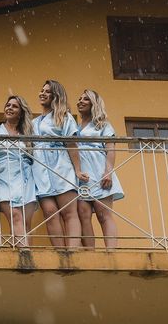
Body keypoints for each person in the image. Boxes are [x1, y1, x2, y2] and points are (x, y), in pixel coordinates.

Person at [32, 80, 85, 248]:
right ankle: (60, 253)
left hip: (61, 166)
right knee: (49, 212)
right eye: (42, 90)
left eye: (47, 91)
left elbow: (71, 144)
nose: (42, 93)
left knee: (69, 212)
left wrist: (77, 170)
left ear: (55, 95)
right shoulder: (33, 123)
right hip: (40, 168)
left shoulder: (64, 116)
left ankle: (72, 251)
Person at [0, 96, 37, 248]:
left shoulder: (27, 133)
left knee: (26, 223)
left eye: (14, 106)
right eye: (8, 105)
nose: (10, 108)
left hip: (25, 177)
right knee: (15, 216)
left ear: (21, 113)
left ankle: (28, 254)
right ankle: (24, 255)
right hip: (2, 177)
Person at [76, 89, 123, 249]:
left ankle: (111, 253)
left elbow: (111, 148)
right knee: (83, 214)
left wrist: (108, 172)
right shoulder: (75, 126)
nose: (80, 101)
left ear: (94, 104)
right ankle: (91, 253)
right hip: (82, 176)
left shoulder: (102, 125)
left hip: (99, 171)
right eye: (80, 99)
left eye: (86, 99)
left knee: (104, 215)